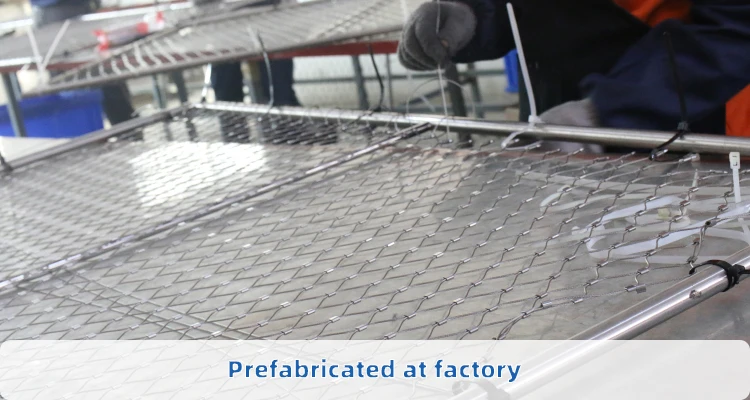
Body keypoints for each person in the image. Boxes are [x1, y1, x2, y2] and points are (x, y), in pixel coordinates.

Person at [398, 0, 750, 137]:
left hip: (700, 135)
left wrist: (609, 111)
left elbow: (736, 30)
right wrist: (476, 18)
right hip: (564, 127)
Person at [30, 0, 136, 125]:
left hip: (75, 10)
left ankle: (126, 126)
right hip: (59, 13)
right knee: (96, 76)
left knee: (104, 75)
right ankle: (125, 127)